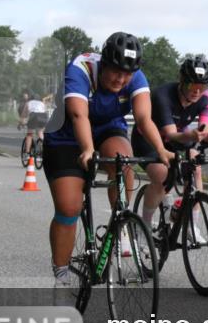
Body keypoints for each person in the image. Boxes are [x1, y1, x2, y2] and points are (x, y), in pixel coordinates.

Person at [43, 32, 173, 293]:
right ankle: (61, 275)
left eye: (127, 74)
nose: (121, 79)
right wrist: (88, 149)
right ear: (104, 63)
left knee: (123, 161)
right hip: (66, 137)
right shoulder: (81, 68)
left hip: (107, 129)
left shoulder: (135, 77)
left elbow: (144, 118)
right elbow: (79, 115)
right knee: (69, 207)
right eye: (115, 71)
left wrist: (161, 150)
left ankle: (120, 222)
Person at [132, 54, 208, 243]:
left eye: (201, 87)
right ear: (181, 80)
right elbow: (172, 135)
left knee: (195, 167)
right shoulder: (162, 95)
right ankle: (144, 227)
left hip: (178, 136)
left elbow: (204, 128)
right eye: (191, 86)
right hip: (147, 138)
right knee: (162, 174)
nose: (197, 92)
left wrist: (206, 138)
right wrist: (194, 136)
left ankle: (191, 225)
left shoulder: (207, 100)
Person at [17, 90, 49, 161]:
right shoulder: (42, 103)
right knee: (40, 132)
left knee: (29, 134)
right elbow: (45, 112)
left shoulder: (28, 103)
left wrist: (20, 124)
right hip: (44, 117)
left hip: (34, 116)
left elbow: (23, 115)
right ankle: (41, 150)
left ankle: (27, 154)